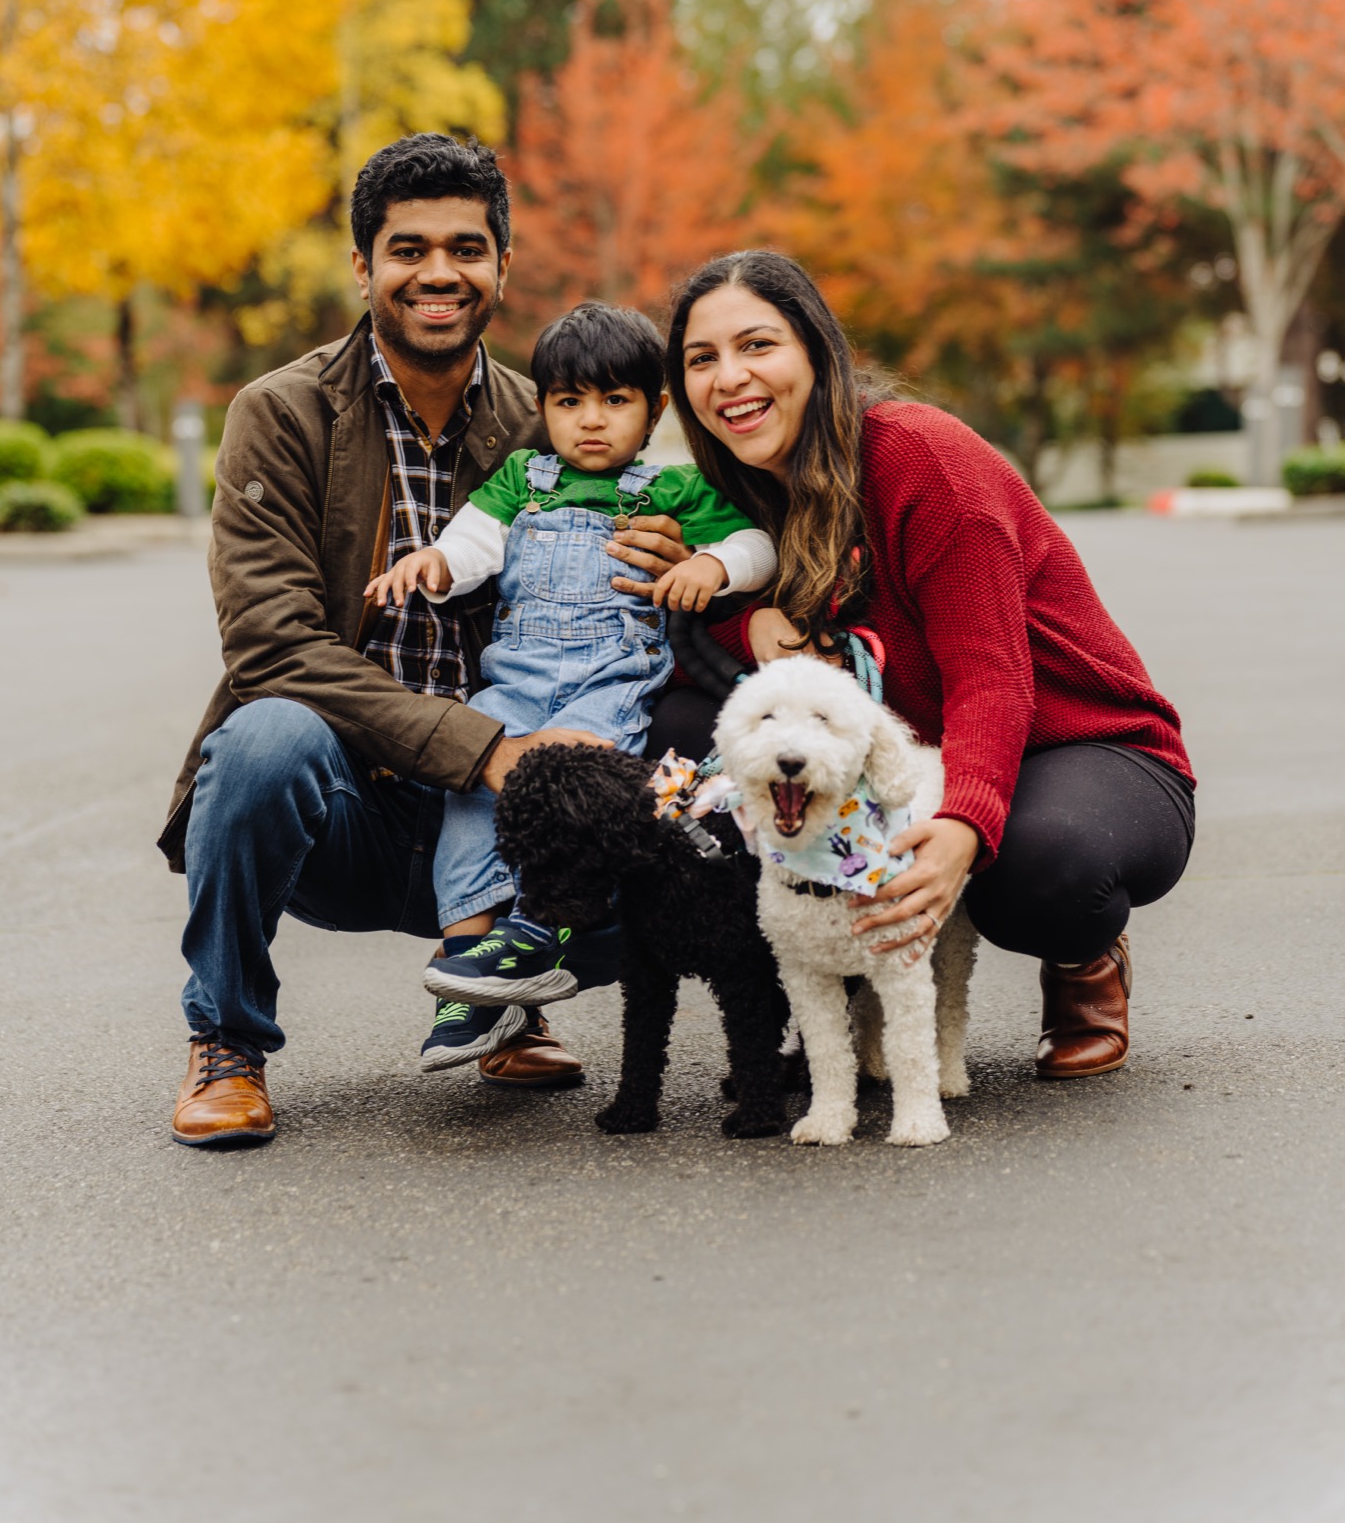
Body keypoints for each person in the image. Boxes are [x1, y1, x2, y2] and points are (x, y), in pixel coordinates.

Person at [159, 135, 689, 1148]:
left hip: (519, 799)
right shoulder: (280, 412)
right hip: (354, 807)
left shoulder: (558, 422)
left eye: (466, 246)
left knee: (661, 782)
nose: (438, 272)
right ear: (363, 267)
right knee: (265, 736)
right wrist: (482, 751)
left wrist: (673, 562)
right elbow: (271, 645)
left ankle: (507, 994)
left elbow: (633, 615)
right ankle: (225, 1038)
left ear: (502, 264)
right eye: (408, 249)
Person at [649, 250, 1195, 1080]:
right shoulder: (729, 500)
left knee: (1038, 867)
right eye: (701, 359)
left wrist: (964, 826)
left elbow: (990, 677)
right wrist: (740, 624)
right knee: (686, 747)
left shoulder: (921, 461)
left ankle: (1084, 958)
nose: (730, 377)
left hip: (1078, 745)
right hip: (906, 756)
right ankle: (827, 1001)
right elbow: (700, 674)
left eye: (757, 345)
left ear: (816, 353)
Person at [364, 301, 776, 1070]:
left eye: (614, 401)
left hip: (608, 682)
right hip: (513, 681)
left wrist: (711, 564)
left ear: (653, 409)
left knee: (571, 782)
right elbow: (476, 540)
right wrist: (438, 565)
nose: (591, 421)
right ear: (543, 406)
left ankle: (538, 928)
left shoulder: (672, 489)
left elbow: (757, 544)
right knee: (470, 785)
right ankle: (469, 963)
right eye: (568, 402)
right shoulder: (526, 477)